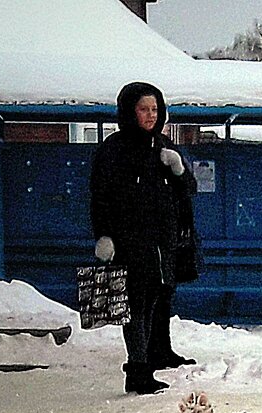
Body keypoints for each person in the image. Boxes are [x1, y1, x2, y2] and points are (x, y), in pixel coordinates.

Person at [90, 81, 197, 394]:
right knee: (135, 307)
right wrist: (104, 235)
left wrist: (178, 170)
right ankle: (137, 370)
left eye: (155, 109)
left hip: (161, 245)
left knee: (150, 305)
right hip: (129, 243)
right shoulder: (114, 149)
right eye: (144, 109)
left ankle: (145, 363)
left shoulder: (163, 147)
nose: (151, 115)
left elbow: (188, 190)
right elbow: (100, 196)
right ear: (129, 111)